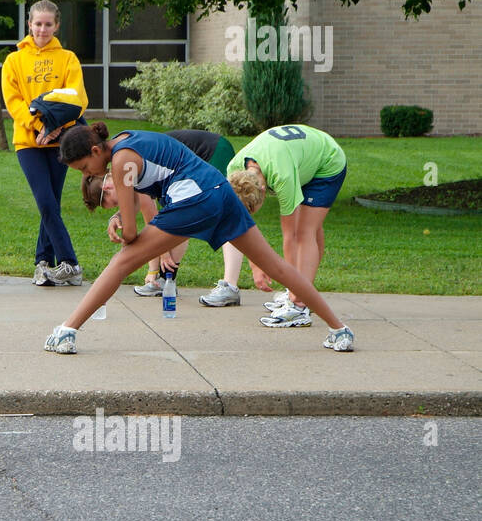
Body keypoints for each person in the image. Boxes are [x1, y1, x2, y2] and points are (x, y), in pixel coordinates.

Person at [44, 122, 355, 354]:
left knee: (121, 262)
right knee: (276, 266)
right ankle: (339, 330)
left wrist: (121, 229)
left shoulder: (121, 161)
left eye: (86, 168)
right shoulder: (127, 139)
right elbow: (138, 191)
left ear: (96, 151)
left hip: (195, 199)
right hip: (220, 192)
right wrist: (119, 217)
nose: (90, 174)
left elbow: (129, 233)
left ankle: (67, 330)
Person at [221, 124, 349, 327]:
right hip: (299, 156)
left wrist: (291, 287)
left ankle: (298, 305)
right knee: (310, 228)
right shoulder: (233, 170)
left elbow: (291, 238)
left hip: (327, 160)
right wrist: (256, 265)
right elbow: (238, 222)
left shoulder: (283, 177)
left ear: (263, 190)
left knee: (304, 231)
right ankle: (301, 294)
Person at [82, 128, 237, 296]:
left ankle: (230, 285)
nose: (118, 203)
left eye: (114, 201)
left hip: (212, 149)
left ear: (107, 186)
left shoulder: (124, 160)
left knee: (225, 214)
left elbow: (150, 213)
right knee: (180, 216)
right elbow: (135, 204)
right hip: (189, 163)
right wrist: (117, 217)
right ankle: (166, 280)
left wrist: (161, 255)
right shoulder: (122, 160)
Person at [1, 0, 88, 286]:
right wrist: (40, 125)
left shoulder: (68, 58)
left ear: (56, 25)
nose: (42, 29)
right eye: (37, 23)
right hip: (28, 143)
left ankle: (42, 263)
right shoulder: (14, 60)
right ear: (29, 24)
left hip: (59, 142)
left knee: (51, 204)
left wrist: (54, 128)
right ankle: (70, 262)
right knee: (46, 202)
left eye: (48, 24)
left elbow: (78, 99)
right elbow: (14, 104)